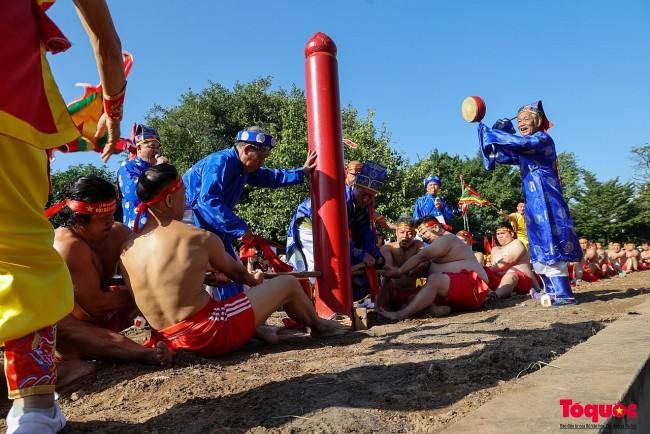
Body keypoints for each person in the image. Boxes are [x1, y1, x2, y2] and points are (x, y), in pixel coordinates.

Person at [0, 1, 125, 432]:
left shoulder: (119, 235)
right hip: (10, 100)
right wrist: (113, 107)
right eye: (104, 220)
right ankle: (35, 407)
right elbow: (108, 45)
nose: (110, 228)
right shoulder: (68, 242)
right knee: (21, 257)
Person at [119, 164, 347, 358]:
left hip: (165, 337)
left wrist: (206, 277)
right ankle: (320, 327)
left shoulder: (127, 247)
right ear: (170, 200)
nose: (185, 200)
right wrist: (255, 279)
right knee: (287, 283)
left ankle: (260, 332)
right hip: (207, 334)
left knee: (225, 303)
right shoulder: (197, 237)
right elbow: (240, 275)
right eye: (183, 194)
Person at [50, 177, 173, 366]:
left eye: (112, 214)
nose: (110, 222)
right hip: (77, 335)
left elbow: (158, 261)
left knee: (160, 284)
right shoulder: (67, 246)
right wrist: (151, 291)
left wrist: (196, 270)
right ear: (78, 219)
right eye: (102, 219)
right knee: (63, 326)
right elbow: (95, 305)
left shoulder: (117, 232)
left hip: (113, 316)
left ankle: (182, 333)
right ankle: (143, 354)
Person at [183, 126, 316, 300]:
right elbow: (208, 202)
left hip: (213, 222)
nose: (261, 163)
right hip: (192, 220)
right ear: (247, 150)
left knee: (234, 272)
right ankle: (220, 318)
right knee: (210, 273)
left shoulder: (242, 167)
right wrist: (239, 228)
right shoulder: (220, 162)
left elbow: (269, 176)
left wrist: (301, 172)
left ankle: (240, 318)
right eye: (260, 158)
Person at [478, 101, 582, 306]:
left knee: (552, 239)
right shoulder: (525, 148)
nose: (522, 123)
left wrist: (494, 134)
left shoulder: (542, 139)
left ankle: (564, 294)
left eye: (526, 119)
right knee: (540, 243)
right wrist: (488, 135)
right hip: (534, 204)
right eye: (519, 121)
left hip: (549, 201)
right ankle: (549, 291)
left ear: (538, 121)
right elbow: (501, 155)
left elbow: (521, 144)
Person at [286, 160, 387, 300]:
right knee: (319, 268)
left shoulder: (363, 209)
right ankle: (313, 304)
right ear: (355, 186)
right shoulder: (340, 199)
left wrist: (376, 256)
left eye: (371, 196)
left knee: (345, 267)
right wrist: (360, 254)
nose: (366, 199)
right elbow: (337, 237)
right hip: (309, 224)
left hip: (334, 235)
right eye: (363, 194)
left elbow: (364, 236)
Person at [380, 216, 489, 321]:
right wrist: (410, 272)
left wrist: (399, 271)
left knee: (434, 279)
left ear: (436, 228)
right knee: (416, 298)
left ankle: (401, 314)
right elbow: (424, 267)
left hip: (474, 288)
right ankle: (444, 308)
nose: (423, 237)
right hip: (455, 294)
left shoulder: (447, 238)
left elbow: (421, 256)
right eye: (421, 234)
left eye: (424, 232)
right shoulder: (437, 247)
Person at [117, 124, 170, 229]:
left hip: (161, 227)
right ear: (139, 148)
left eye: (158, 148)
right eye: (152, 147)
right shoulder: (128, 166)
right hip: (138, 229)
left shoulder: (154, 168)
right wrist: (158, 170)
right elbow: (135, 194)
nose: (156, 151)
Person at [375, 217, 425, 312]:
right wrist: (393, 271)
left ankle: (407, 308)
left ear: (414, 235)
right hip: (393, 294)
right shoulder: (387, 248)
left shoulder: (418, 245)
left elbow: (425, 261)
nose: (405, 236)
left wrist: (413, 271)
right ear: (396, 232)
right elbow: (388, 266)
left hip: (411, 293)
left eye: (409, 233)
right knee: (386, 280)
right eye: (402, 232)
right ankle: (377, 310)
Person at [484, 221, 537, 300]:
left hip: (522, 279)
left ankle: (495, 296)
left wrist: (488, 269)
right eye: (498, 234)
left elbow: (509, 261)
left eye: (503, 233)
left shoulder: (517, 243)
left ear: (511, 234)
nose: (500, 236)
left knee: (510, 276)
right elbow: (493, 266)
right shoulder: (495, 250)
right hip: (499, 280)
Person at [345, 160, 396, 231]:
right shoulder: (340, 194)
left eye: (370, 196)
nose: (365, 199)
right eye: (354, 174)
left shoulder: (365, 209)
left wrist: (388, 224)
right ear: (346, 172)